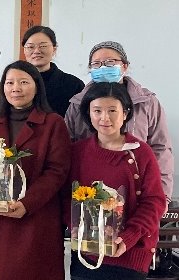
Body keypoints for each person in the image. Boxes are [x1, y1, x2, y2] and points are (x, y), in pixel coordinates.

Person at [0, 61, 71, 280]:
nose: (16, 88)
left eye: (24, 82)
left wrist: (27, 203)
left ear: (37, 87)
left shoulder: (53, 123)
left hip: (35, 217)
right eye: (10, 82)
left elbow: (57, 171)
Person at [68, 82, 164, 280]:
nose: (105, 118)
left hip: (129, 250)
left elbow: (154, 202)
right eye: (97, 110)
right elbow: (66, 198)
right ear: (88, 113)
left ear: (126, 113)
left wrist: (127, 238)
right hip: (87, 251)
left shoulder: (140, 152)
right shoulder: (78, 152)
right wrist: (74, 228)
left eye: (112, 110)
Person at [65, 41, 173, 203]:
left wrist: (162, 197)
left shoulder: (147, 102)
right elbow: (67, 148)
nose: (103, 68)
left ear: (125, 66)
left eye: (110, 62)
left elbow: (161, 148)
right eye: (96, 64)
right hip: (90, 195)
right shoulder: (77, 104)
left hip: (138, 189)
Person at [21, 26, 84, 117]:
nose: (36, 51)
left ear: (54, 49)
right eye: (30, 47)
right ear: (24, 50)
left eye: (43, 46)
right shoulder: (15, 84)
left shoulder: (74, 84)